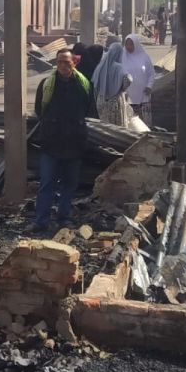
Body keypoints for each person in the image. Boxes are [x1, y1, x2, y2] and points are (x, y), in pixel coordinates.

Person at [29, 48, 96, 231]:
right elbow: (39, 109)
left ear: (74, 63)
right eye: (59, 62)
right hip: (51, 142)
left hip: (74, 142)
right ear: (56, 63)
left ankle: (63, 218)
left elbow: (89, 109)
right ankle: (41, 221)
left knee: (69, 184)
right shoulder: (47, 85)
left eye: (67, 62)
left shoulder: (83, 85)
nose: (63, 65)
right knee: (47, 183)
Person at [91, 42, 134, 127]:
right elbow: (128, 79)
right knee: (117, 129)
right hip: (115, 101)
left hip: (101, 100)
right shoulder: (119, 67)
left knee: (104, 127)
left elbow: (95, 83)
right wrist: (122, 88)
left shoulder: (100, 66)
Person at [121, 33, 155, 122]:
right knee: (131, 123)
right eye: (127, 44)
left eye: (131, 44)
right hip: (128, 96)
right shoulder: (122, 57)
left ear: (136, 44)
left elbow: (151, 73)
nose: (129, 46)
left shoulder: (144, 57)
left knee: (144, 122)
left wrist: (149, 86)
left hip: (143, 95)